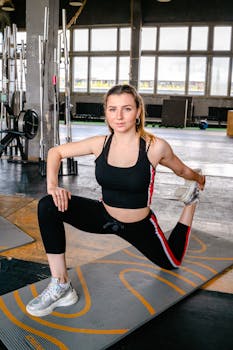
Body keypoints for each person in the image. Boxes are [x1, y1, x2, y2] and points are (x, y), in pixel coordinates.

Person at [26, 84, 206, 317]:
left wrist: (198, 179)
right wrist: (53, 186)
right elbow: (55, 153)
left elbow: (181, 170)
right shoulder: (100, 143)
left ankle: (191, 201)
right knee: (48, 206)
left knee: (172, 263)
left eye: (127, 109)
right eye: (112, 109)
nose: (119, 116)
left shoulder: (155, 147)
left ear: (138, 111)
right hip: (104, 216)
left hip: (139, 226)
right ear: (106, 112)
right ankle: (61, 285)